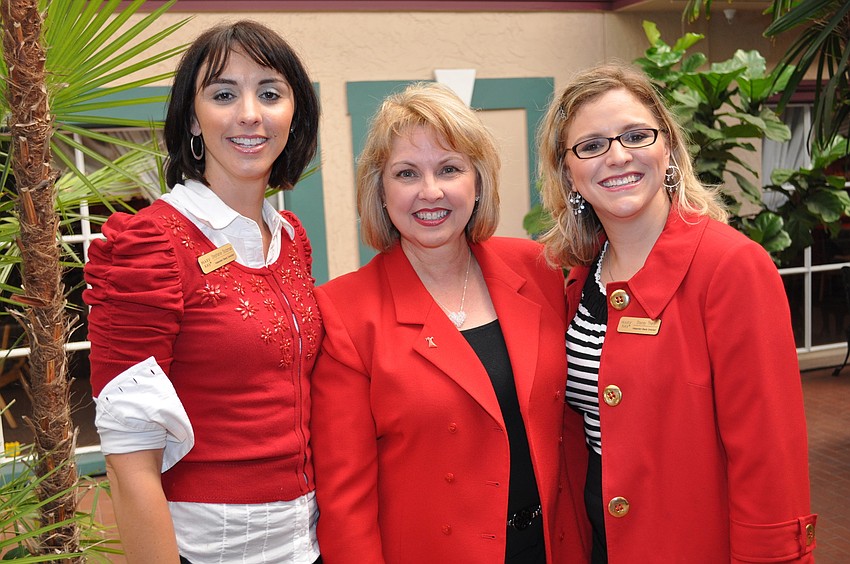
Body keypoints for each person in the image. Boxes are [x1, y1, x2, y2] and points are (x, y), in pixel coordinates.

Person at [536, 61, 817, 563]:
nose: (617, 156)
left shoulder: (731, 267)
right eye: (592, 145)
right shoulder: (580, 278)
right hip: (599, 541)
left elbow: (770, 457)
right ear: (569, 172)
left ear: (667, 147)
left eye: (635, 135)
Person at [309, 81, 587, 563]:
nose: (430, 191)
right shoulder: (346, 312)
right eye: (406, 173)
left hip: (554, 546)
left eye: (450, 168)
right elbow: (346, 503)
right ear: (380, 188)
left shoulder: (536, 270)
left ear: (478, 182)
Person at [83, 20, 323, 563]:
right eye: (223, 94)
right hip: (210, 547)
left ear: (294, 113)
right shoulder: (150, 244)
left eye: (269, 93)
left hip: (307, 538)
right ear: (193, 118)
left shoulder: (290, 238)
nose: (249, 114)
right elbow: (128, 463)